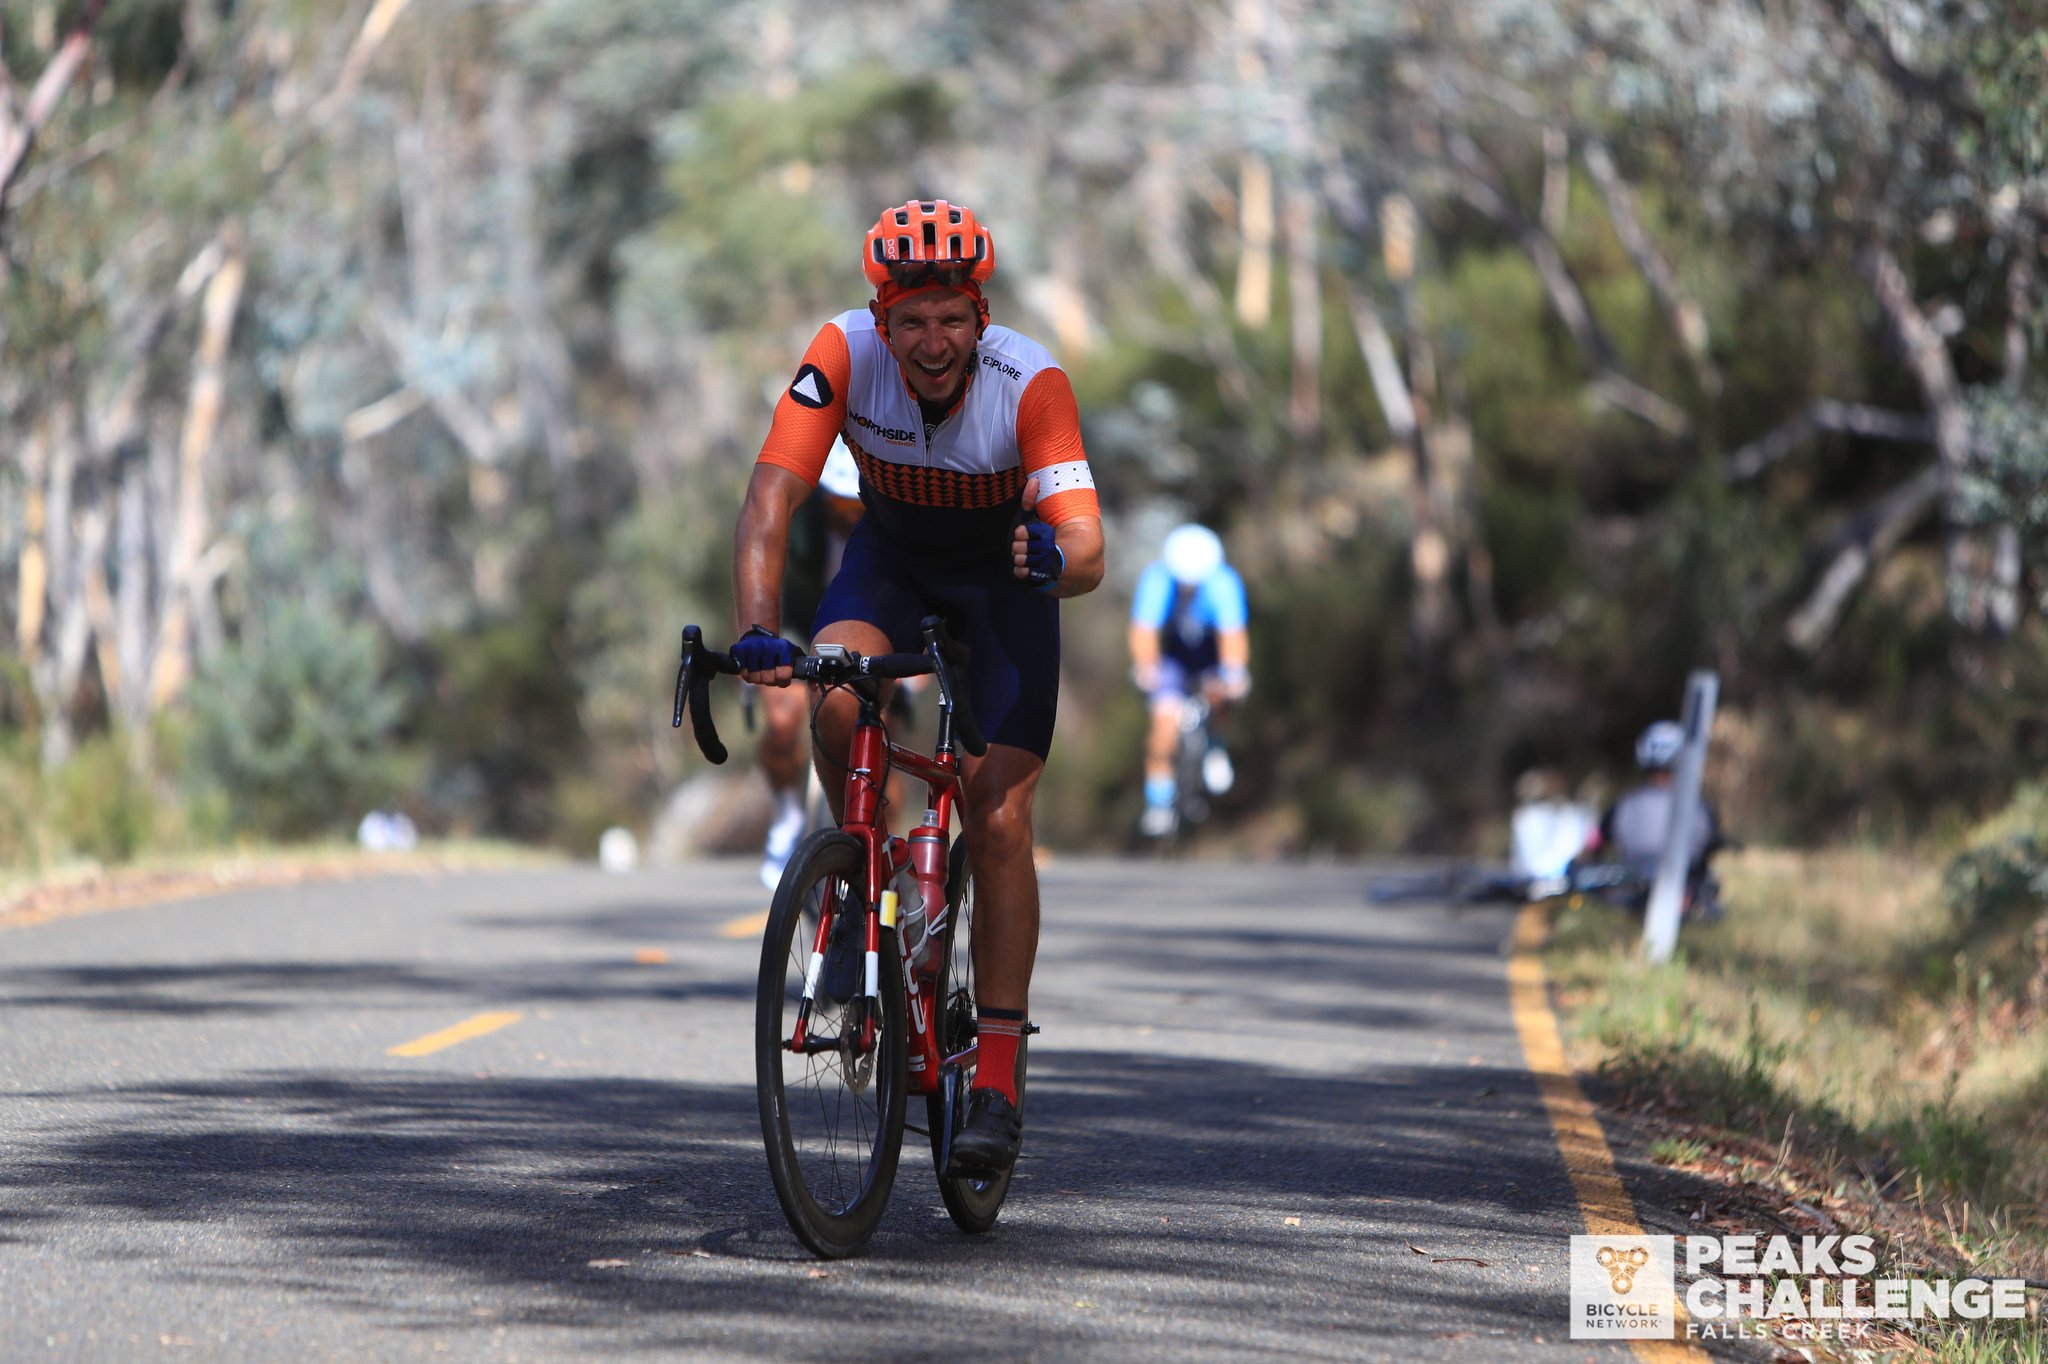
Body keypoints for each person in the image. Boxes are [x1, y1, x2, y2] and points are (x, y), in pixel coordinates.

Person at [729, 198, 1105, 1173]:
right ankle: (861, 876)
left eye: (950, 319)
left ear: (981, 318)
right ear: (880, 320)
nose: (932, 343)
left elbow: (1087, 546)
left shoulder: (1031, 381)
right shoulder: (841, 354)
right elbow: (773, 491)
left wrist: (1049, 561)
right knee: (834, 692)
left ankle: (996, 1080)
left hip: (1002, 580)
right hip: (890, 559)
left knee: (998, 817)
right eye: (911, 322)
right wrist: (758, 627)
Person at [754, 445, 864, 889]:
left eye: (856, 504)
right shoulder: (802, 521)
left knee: (879, 727)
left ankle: (872, 845)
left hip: (865, 627)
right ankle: (787, 813)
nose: (848, 514)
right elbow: (766, 576)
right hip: (801, 623)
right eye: (838, 503)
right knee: (782, 719)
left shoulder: (886, 522)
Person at [1128, 524, 1249, 838]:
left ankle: (1216, 746)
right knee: (1162, 724)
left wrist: (1234, 675)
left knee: (1222, 693)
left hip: (1210, 654)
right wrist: (1146, 669)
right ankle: (1158, 801)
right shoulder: (1156, 580)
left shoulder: (1224, 583)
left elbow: (1233, 639)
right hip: (1174, 658)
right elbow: (1144, 633)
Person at [1585, 721, 1724, 917]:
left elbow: (1593, 845)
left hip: (1632, 895)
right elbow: (1712, 843)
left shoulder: (1623, 804)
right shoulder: (1699, 806)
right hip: (1682, 896)